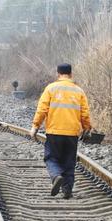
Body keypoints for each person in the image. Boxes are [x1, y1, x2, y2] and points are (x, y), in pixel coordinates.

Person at [30, 63, 91, 199]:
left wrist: (35, 126)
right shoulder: (78, 91)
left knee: (51, 158)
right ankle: (67, 190)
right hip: (72, 134)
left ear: (58, 73)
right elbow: (85, 113)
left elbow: (42, 109)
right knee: (69, 161)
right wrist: (87, 128)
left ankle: (56, 176)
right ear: (71, 74)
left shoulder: (51, 89)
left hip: (54, 132)